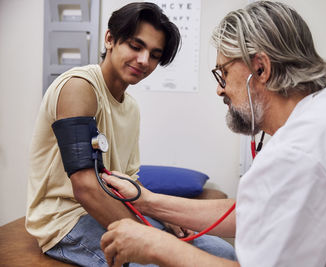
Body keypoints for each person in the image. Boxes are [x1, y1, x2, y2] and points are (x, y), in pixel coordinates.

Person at [99, 1, 326, 266]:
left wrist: (154, 245)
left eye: (224, 74)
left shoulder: (297, 152)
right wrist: (148, 201)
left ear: (260, 68)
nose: (220, 88)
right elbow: (256, 210)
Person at [26, 2, 236, 266]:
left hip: (110, 206)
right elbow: (85, 186)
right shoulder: (78, 87)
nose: (144, 60)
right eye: (136, 47)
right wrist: (152, 239)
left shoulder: (131, 108)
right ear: (110, 39)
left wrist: (165, 218)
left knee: (221, 251)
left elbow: (128, 181)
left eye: (154, 54)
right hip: (65, 220)